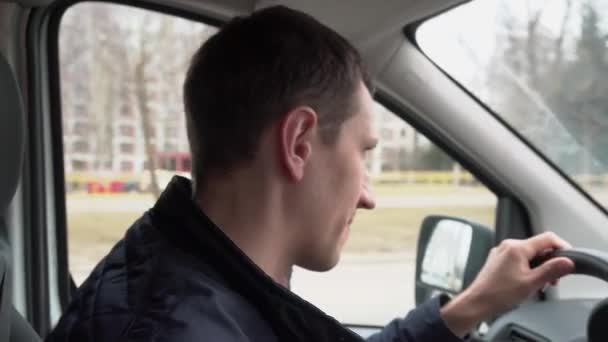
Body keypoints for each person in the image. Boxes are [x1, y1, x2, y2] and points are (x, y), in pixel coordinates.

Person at [45, 5, 575, 342]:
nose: (368, 196)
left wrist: (469, 307)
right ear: (299, 143)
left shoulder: (189, 280)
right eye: (363, 152)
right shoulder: (176, 326)